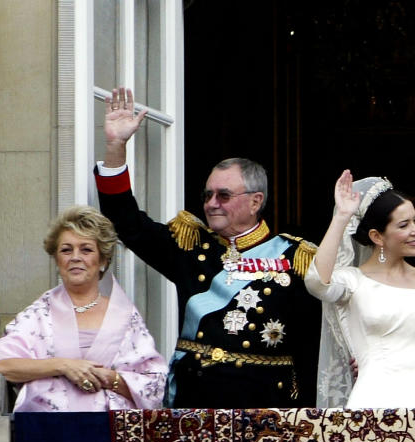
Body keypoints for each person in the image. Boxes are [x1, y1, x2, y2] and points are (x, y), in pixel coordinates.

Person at [93, 87, 320, 408]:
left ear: (256, 201)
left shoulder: (294, 258)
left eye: (223, 195)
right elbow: (125, 221)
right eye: (208, 195)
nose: (211, 204)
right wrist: (115, 146)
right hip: (197, 397)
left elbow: (313, 343)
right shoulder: (190, 246)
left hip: (267, 403)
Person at [0, 206, 167, 412]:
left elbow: (154, 387)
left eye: (86, 249)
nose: (75, 257)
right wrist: (64, 366)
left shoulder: (125, 316)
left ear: (102, 260)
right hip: (48, 433)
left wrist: (110, 379)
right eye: (66, 250)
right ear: (57, 260)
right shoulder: (39, 313)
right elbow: (0, 365)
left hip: (109, 434)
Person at [305, 171, 415, 408]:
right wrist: (342, 217)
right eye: (404, 225)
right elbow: (317, 282)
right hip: (369, 404)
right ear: (377, 236)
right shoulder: (353, 282)